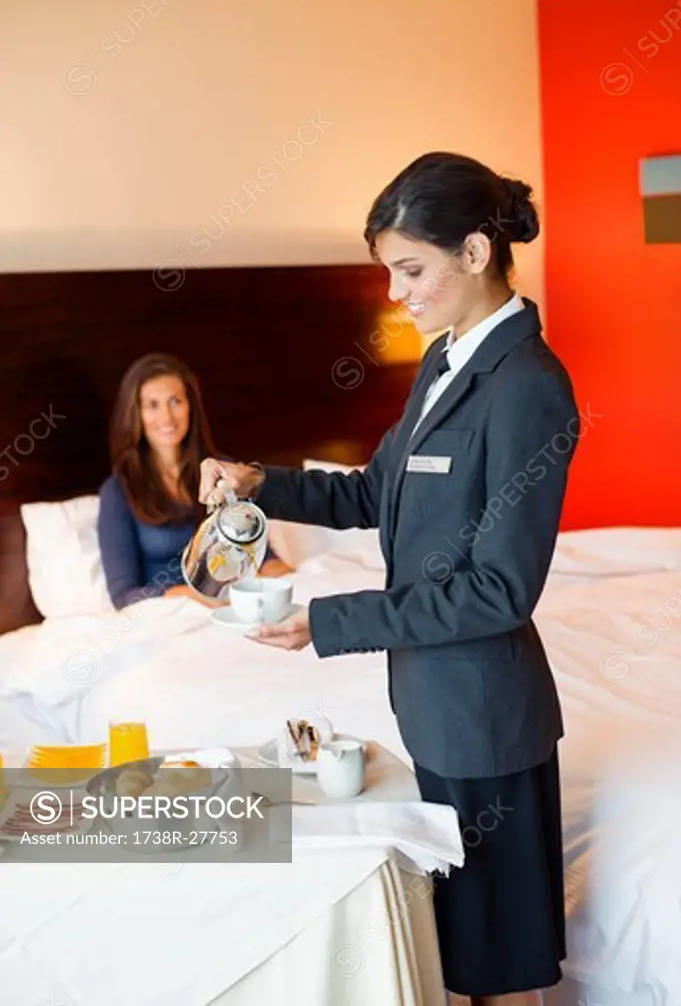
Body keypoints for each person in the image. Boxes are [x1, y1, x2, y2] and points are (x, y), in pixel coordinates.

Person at [198, 152, 578, 1006]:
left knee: (504, 971)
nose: (395, 293)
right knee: (467, 957)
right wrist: (263, 479)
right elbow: (376, 491)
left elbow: (499, 592)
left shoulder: (526, 388)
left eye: (410, 269)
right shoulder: (446, 361)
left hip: (488, 719)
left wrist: (329, 623)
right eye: (390, 272)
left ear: (475, 254)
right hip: (439, 707)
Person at [98, 353, 286, 611]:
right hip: (172, 615)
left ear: (190, 406)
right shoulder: (118, 491)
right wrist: (194, 597)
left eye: (175, 401)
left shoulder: (223, 472)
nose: (166, 417)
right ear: (136, 414)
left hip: (239, 604)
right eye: (153, 405)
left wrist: (294, 579)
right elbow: (124, 595)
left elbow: (262, 557)